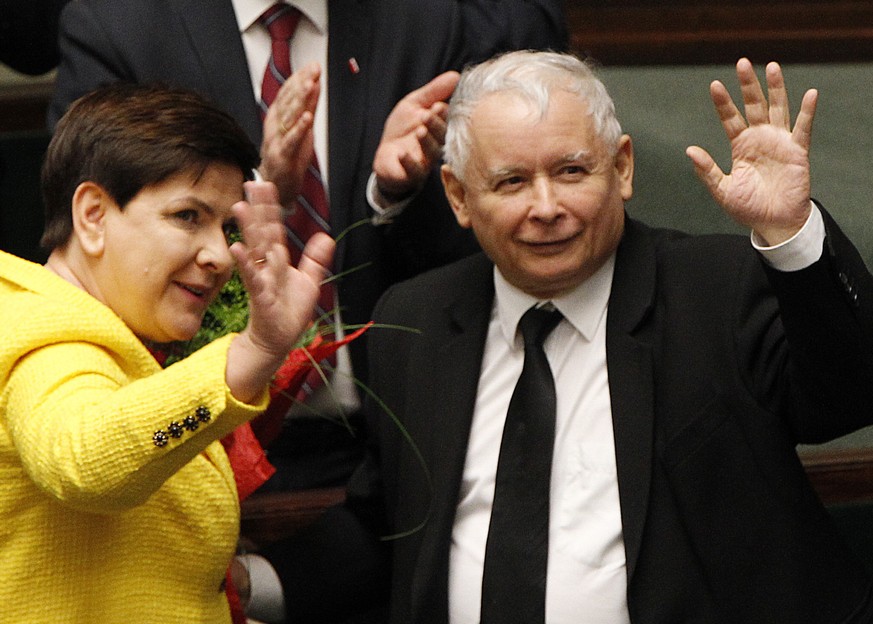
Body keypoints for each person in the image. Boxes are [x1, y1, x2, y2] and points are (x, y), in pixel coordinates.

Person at [251, 51, 873, 623]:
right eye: (511, 182)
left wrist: (791, 234)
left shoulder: (715, 289)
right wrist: (243, 583)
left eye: (572, 171)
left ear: (622, 169)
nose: (545, 207)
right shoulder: (415, 321)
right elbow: (388, 526)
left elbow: (846, 397)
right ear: (459, 197)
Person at [47, 0, 568, 491]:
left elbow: (479, 253)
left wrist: (394, 191)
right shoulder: (119, 23)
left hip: (387, 447)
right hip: (190, 454)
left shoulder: (422, 18)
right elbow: (89, 250)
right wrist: (260, 187)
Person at [0, 83, 334, 623]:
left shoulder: (110, 335)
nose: (220, 255)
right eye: (187, 216)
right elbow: (86, 462)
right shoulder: (43, 337)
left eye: (226, 227)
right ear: (92, 215)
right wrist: (252, 353)